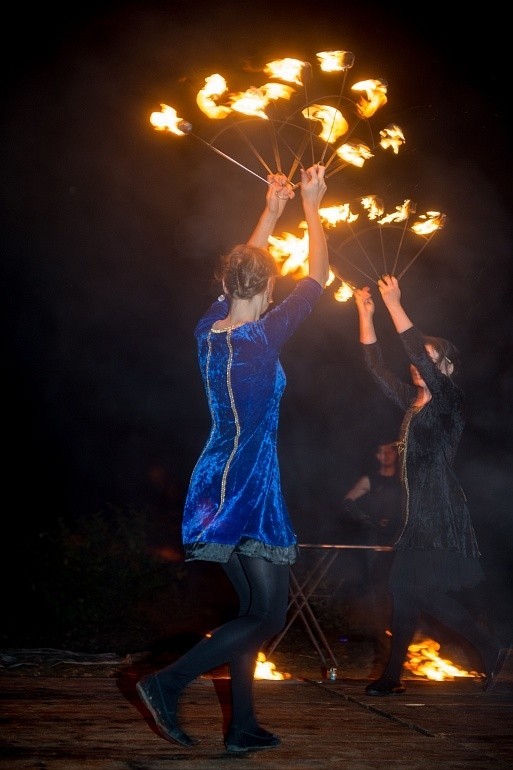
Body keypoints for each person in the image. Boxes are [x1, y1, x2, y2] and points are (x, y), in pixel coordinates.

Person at [136, 164, 329, 752]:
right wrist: (313, 206)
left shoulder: (207, 329)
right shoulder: (262, 336)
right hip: (248, 484)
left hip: (211, 479)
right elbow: (318, 275)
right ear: (268, 288)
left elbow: (246, 271)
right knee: (267, 617)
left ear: (228, 285)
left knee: (251, 609)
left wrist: (271, 212)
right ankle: (168, 684)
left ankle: (241, 726)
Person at [353, 274, 506, 696]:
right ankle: (399, 676)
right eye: (420, 359)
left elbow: (413, 347)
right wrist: (365, 314)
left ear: (445, 368)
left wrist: (394, 303)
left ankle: (483, 648)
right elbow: (373, 366)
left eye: (430, 358)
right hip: (415, 510)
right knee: (408, 592)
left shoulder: (450, 401)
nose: (419, 363)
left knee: (409, 589)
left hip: (438, 508)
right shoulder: (410, 400)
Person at [341, 440, 403, 670]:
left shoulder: (404, 479)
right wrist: (368, 521)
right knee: (378, 595)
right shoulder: (370, 479)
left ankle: (403, 650)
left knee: (402, 595)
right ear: (377, 456)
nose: (386, 455)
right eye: (382, 452)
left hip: (400, 544)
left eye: (390, 451)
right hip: (376, 544)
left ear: (396, 454)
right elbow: (348, 501)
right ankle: (383, 653)